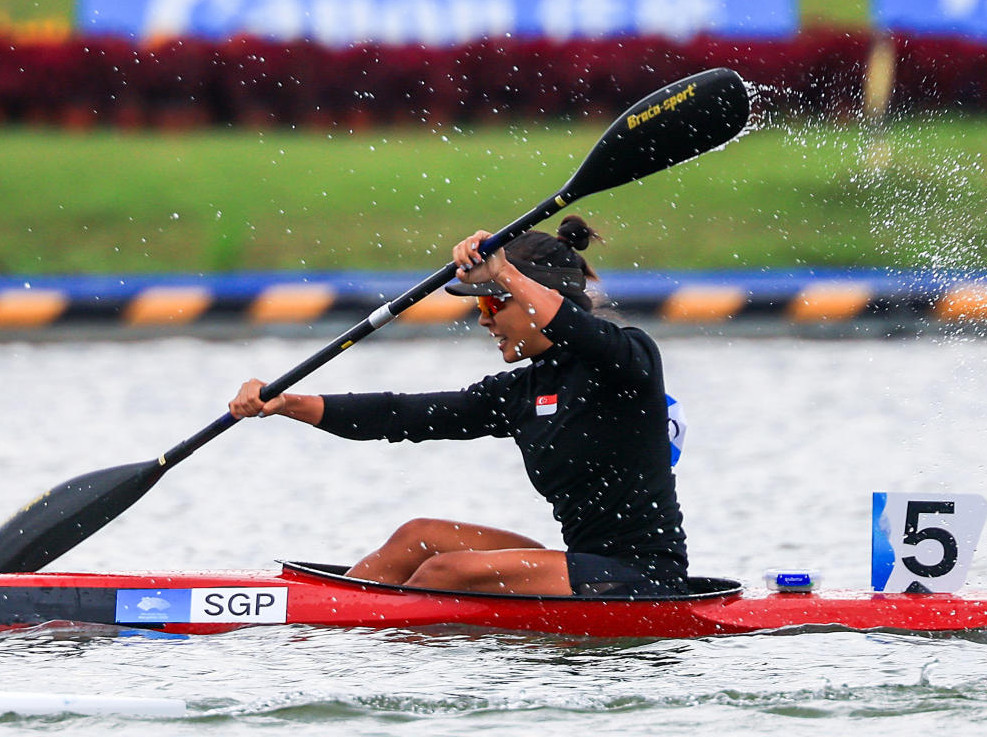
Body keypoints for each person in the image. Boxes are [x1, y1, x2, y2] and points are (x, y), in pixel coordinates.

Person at [228, 215, 689, 597]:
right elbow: (401, 414)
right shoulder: (521, 391)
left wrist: (505, 272)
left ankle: (362, 636)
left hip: (642, 577)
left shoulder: (627, 361)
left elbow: (579, 329)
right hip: (580, 563)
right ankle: (324, 621)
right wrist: (286, 402)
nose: (484, 319)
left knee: (443, 575)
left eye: (493, 303)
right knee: (419, 537)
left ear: (534, 298)